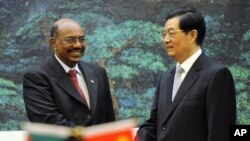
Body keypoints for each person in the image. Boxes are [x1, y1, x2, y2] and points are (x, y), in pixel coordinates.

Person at [136, 6, 236, 141]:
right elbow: (155, 124)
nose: (165, 40)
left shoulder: (217, 75)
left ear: (192, 35)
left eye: (171, 33)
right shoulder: (166, 77)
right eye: (164, 33)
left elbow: (220, 133)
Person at [23, 18, 115, 127]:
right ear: (53, 43)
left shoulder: (98, 73)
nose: (78, 45)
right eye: (70, 40)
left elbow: (109, 122)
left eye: (82, 39)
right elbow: (48, 123)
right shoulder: (37, 77)